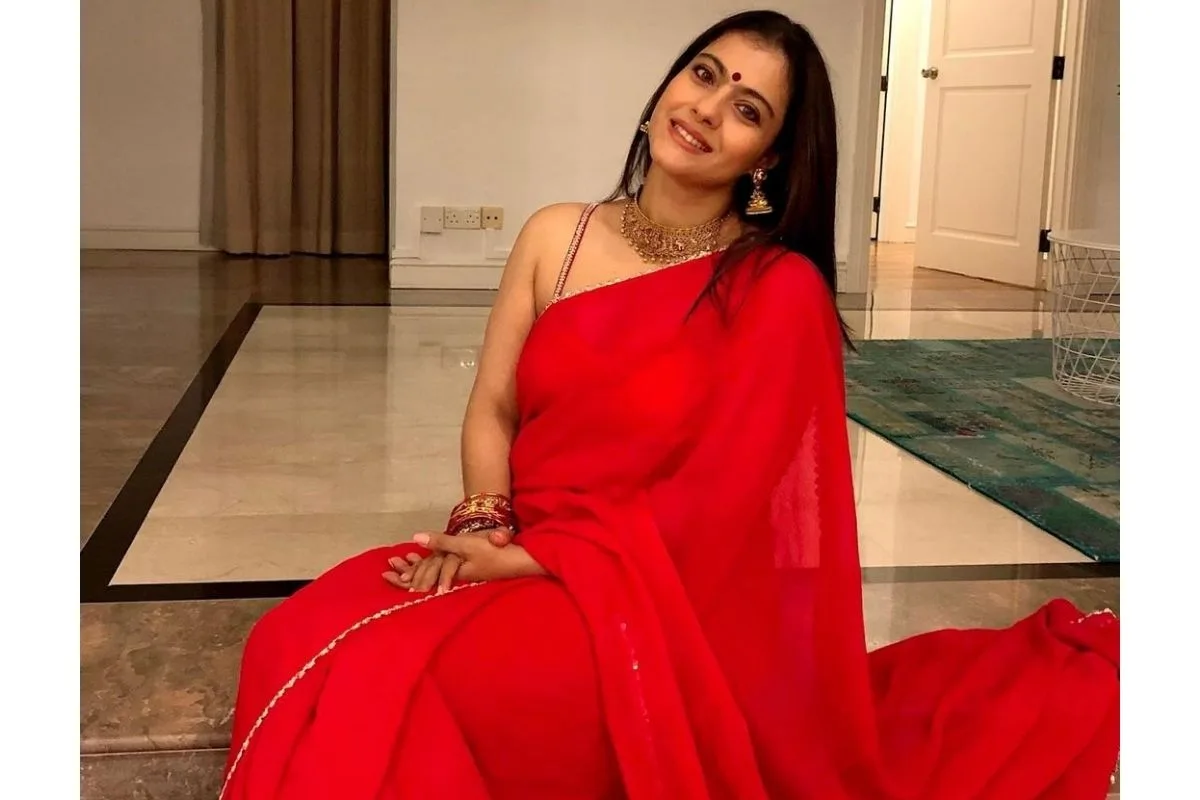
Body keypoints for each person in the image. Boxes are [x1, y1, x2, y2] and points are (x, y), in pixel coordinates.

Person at [221, 10, 1119, 799]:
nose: (707, 108)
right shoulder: (556, 234)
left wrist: (540, 563)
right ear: (668, 84)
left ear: (768, 158)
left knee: (410, 679)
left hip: (655, 598)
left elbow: (725, 510)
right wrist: (487, 525)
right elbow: (493, 407)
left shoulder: (776, 291)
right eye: (704, 74)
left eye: (747, 109)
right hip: (523, 540)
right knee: (292, 634)